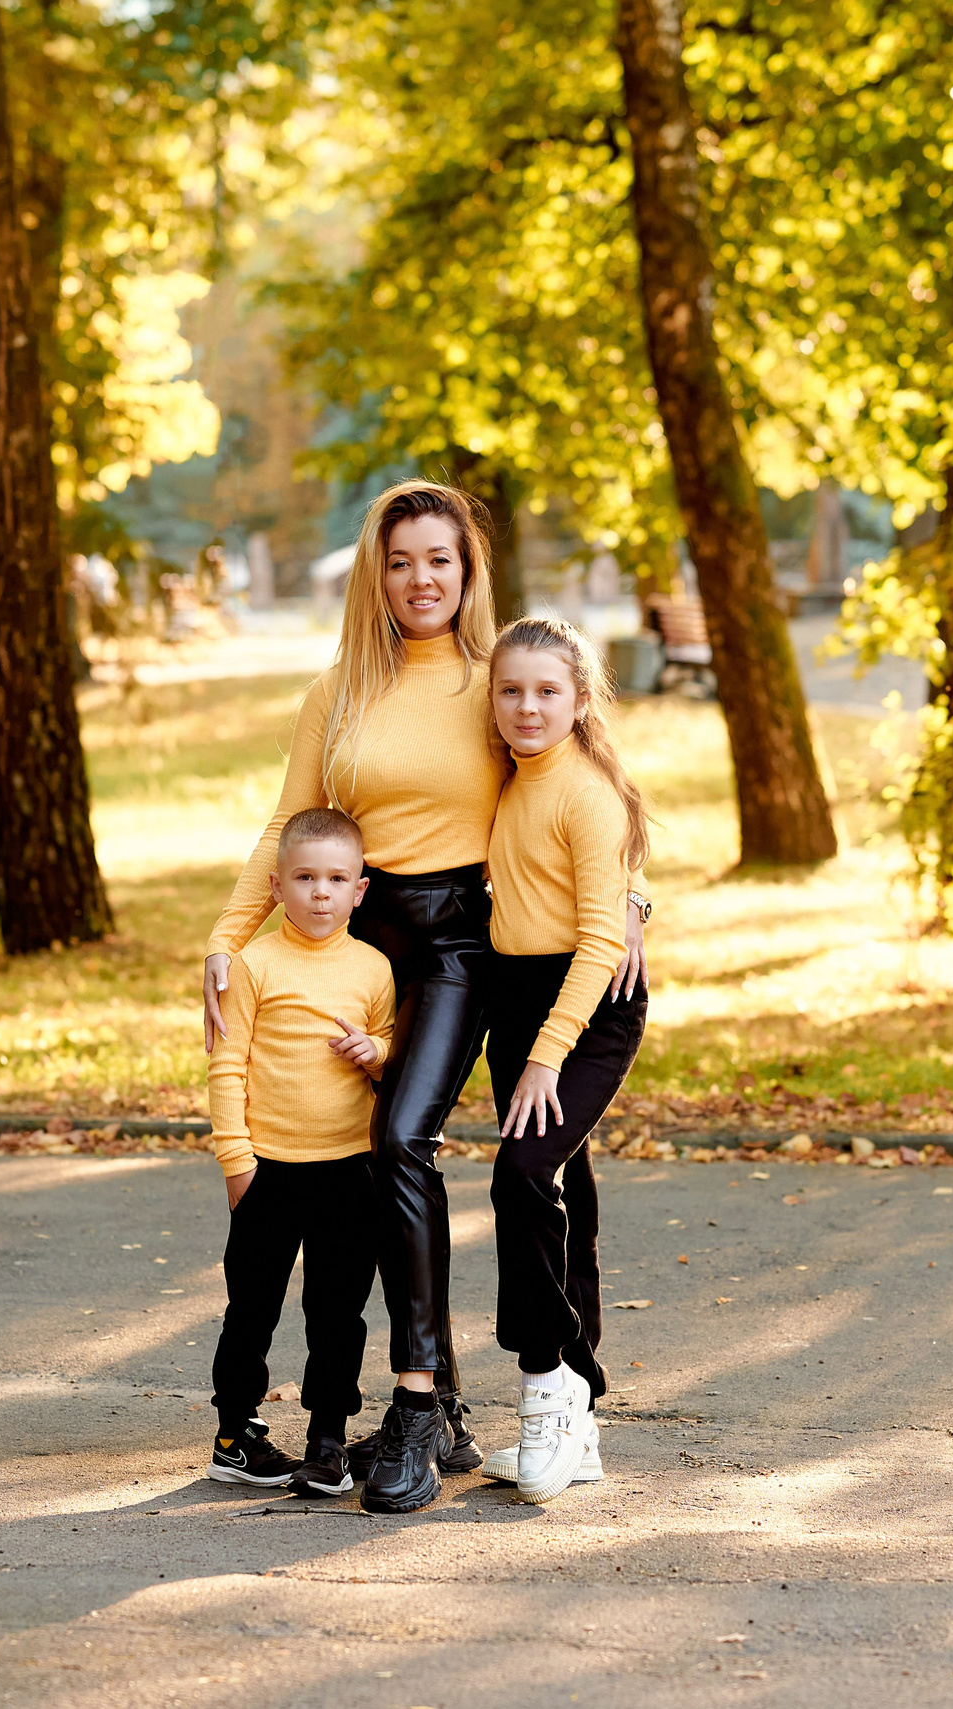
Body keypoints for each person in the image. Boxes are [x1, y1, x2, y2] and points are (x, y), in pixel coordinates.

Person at [200, 479, 650, 1515]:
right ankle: (439, 1396)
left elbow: (583, 784)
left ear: (468, 569)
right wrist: (227, 939)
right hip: (354, 939)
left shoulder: (502, 681)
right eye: (400, 560)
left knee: (405, 1138)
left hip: (457, 940)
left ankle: (414, 1403)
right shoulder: (340, 688)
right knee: (355, 1156)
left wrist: (632, 893)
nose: (420, 579)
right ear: (376, 571)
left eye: (439, 559)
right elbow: (287, 826)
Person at [475, 616, 653, 1503]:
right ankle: (580, 1413)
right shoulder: (508, 779)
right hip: (518, 998)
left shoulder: (585, 792)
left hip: (587, 1009)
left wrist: (547, 1057)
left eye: (547, 690)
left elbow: (596, 942)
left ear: (582, 701)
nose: (527, 705)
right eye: (510, 689)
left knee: (520, 1173)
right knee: (561, 1189)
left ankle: (548, 1382)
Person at [203, 807, 395, 1496]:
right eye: (305, 877)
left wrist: (376, 1052)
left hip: (349, 1169)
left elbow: (391, 1047)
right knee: (251, 1306)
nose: (320, 892)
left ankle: (326, 1438)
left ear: (360, 890)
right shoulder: (254, 965)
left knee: (338, 1310)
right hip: (269, 1171)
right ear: (277, 887)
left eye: (336, 878)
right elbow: (227, 1065)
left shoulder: (374, 969)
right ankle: (234, 1433)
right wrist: (237, 1160)